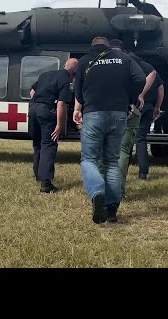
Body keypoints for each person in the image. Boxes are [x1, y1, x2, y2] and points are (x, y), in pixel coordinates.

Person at [73, 36, 145, 224]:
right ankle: (112, 210)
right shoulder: (124, 58)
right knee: (112, 162)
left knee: (89, 159)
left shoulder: (84, 61)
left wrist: (83, 101)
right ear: (108, 46)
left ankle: (97, 192)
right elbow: (141, 78)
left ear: (93, 46)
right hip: (118, 114)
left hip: (93, 112)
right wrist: (129, 97)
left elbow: (77, 90)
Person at [108, 39, 157, 200]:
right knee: (125, 149)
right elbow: (153, 73)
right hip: (129, 109)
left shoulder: (100, 60)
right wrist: (140, 95)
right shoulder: (130, 59)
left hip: (105, 109)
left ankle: (102, 190)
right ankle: (119, 191)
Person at [29, 57, 78, 193]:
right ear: (75, 72)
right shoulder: (66, 80)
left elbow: (32, 92)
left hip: (33, 109)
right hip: (47, 111)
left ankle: (38, 174)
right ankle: (46, 183)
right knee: (49, 144)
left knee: (38, 144)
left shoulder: (46, 74)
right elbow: (61, 104)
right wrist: (59, 125)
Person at [133, 55, 164, 181]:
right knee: (141, 139)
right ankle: (143, 172)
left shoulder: (129, 67)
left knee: (125, 138)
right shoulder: (149, 69)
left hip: (134, 106)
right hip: (148, 108)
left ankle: (121, 168)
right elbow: (161, 88)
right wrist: (157, 106)